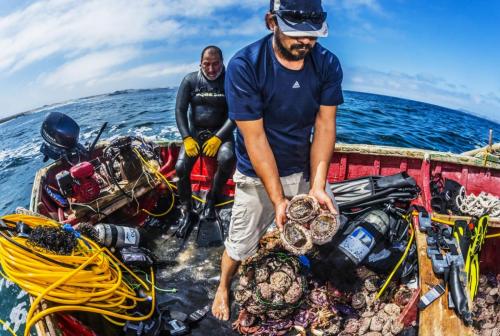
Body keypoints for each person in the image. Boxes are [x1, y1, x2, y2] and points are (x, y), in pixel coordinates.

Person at [212, 0, 344, 320]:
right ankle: (223, 286)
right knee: (240, 244)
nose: (306, 42)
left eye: (313, 36)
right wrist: (277, 198)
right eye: (297, 34)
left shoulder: (327, 64)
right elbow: (255, 139)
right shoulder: (246, 65)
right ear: (272, 22)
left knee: (320, 228)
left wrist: (317, 185)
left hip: (301, 166)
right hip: (257, 173)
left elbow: (325, 126)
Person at [174, 46, 235, 239]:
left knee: (227, 159)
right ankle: (187, 211)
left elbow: (236, 113)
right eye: (207, 64)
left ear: (222, 62)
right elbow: (180, 110)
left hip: (221, 134)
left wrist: (218, 138)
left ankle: (211, 200)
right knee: (180, 168)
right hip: (194, 135)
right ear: (200, 63)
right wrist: (186, 137)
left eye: (215, 63)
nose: (211, 68)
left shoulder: (230, 80)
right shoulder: (190, 80)